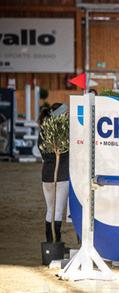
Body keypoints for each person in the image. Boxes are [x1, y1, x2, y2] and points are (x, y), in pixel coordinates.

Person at [37, 103, 69, 243]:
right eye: (66, 114)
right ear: (60, 114)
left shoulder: (44, 130)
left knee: (50, 209)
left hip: (47, 174)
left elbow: (41, 151)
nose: (67, 116)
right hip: (61, 174)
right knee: (58, 210)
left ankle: (50, 241)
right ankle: (55, 241)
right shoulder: (64, 131)